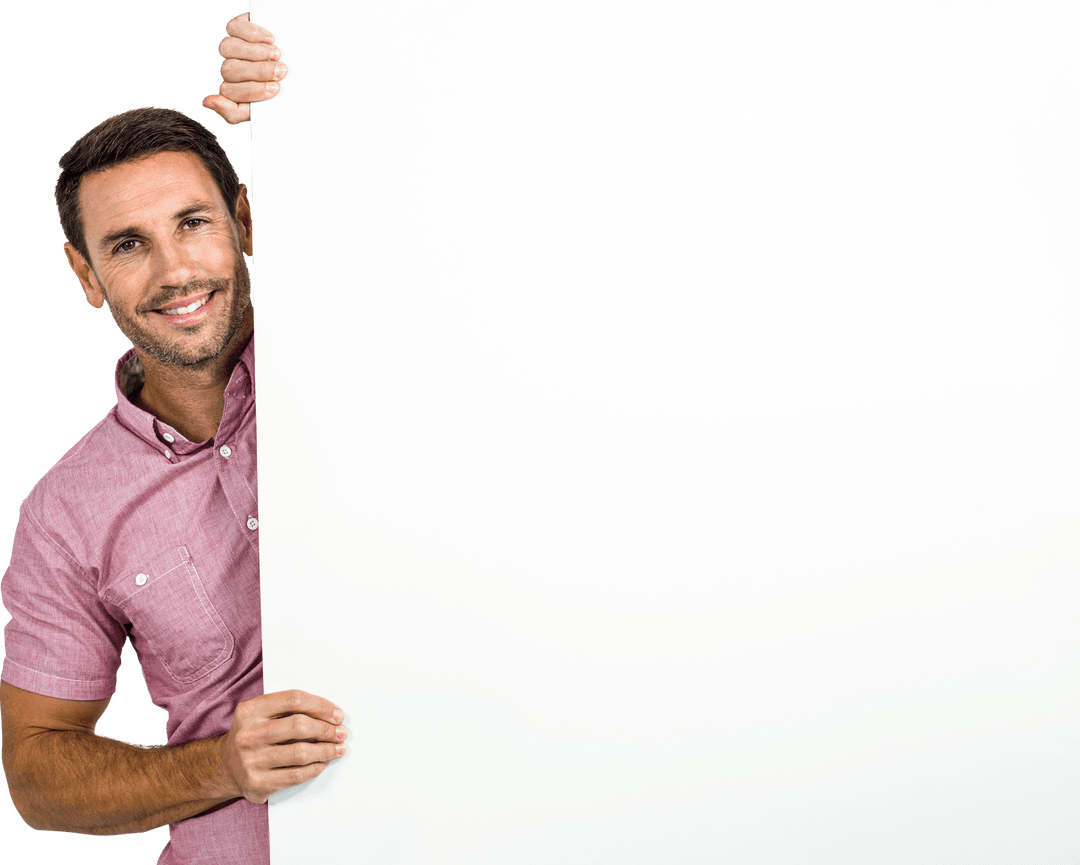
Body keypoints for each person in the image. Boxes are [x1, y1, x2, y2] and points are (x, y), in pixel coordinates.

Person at [0, 15, 325, 865]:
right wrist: (222, 765)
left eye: (192, 223)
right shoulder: (64, 513)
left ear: (243, 220)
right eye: (128, 244)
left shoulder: (358, 371)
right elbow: (36, 774)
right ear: (86, 273)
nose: (175, 271)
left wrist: (313, 74)